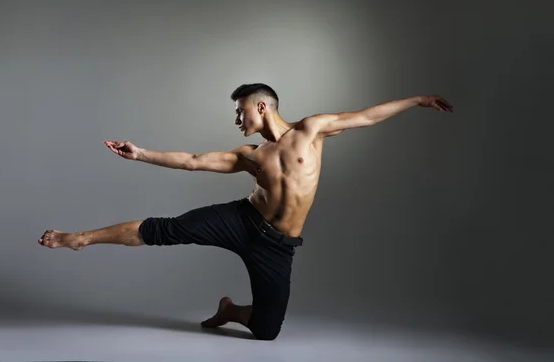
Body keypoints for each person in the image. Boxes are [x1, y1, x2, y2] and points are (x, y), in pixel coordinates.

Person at [38, 83, 453, 340]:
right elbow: (194, 160)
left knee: (268, 331)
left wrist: (417, 99)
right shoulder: (250, 155)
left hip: (278, 247)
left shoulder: (312, 130)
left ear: (261, 107)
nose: (237, 118)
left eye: (240, 110)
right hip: (242, 222)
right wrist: (140, 153)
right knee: (167, 229)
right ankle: (80, 239)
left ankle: (232, 311)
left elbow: (366, 117)